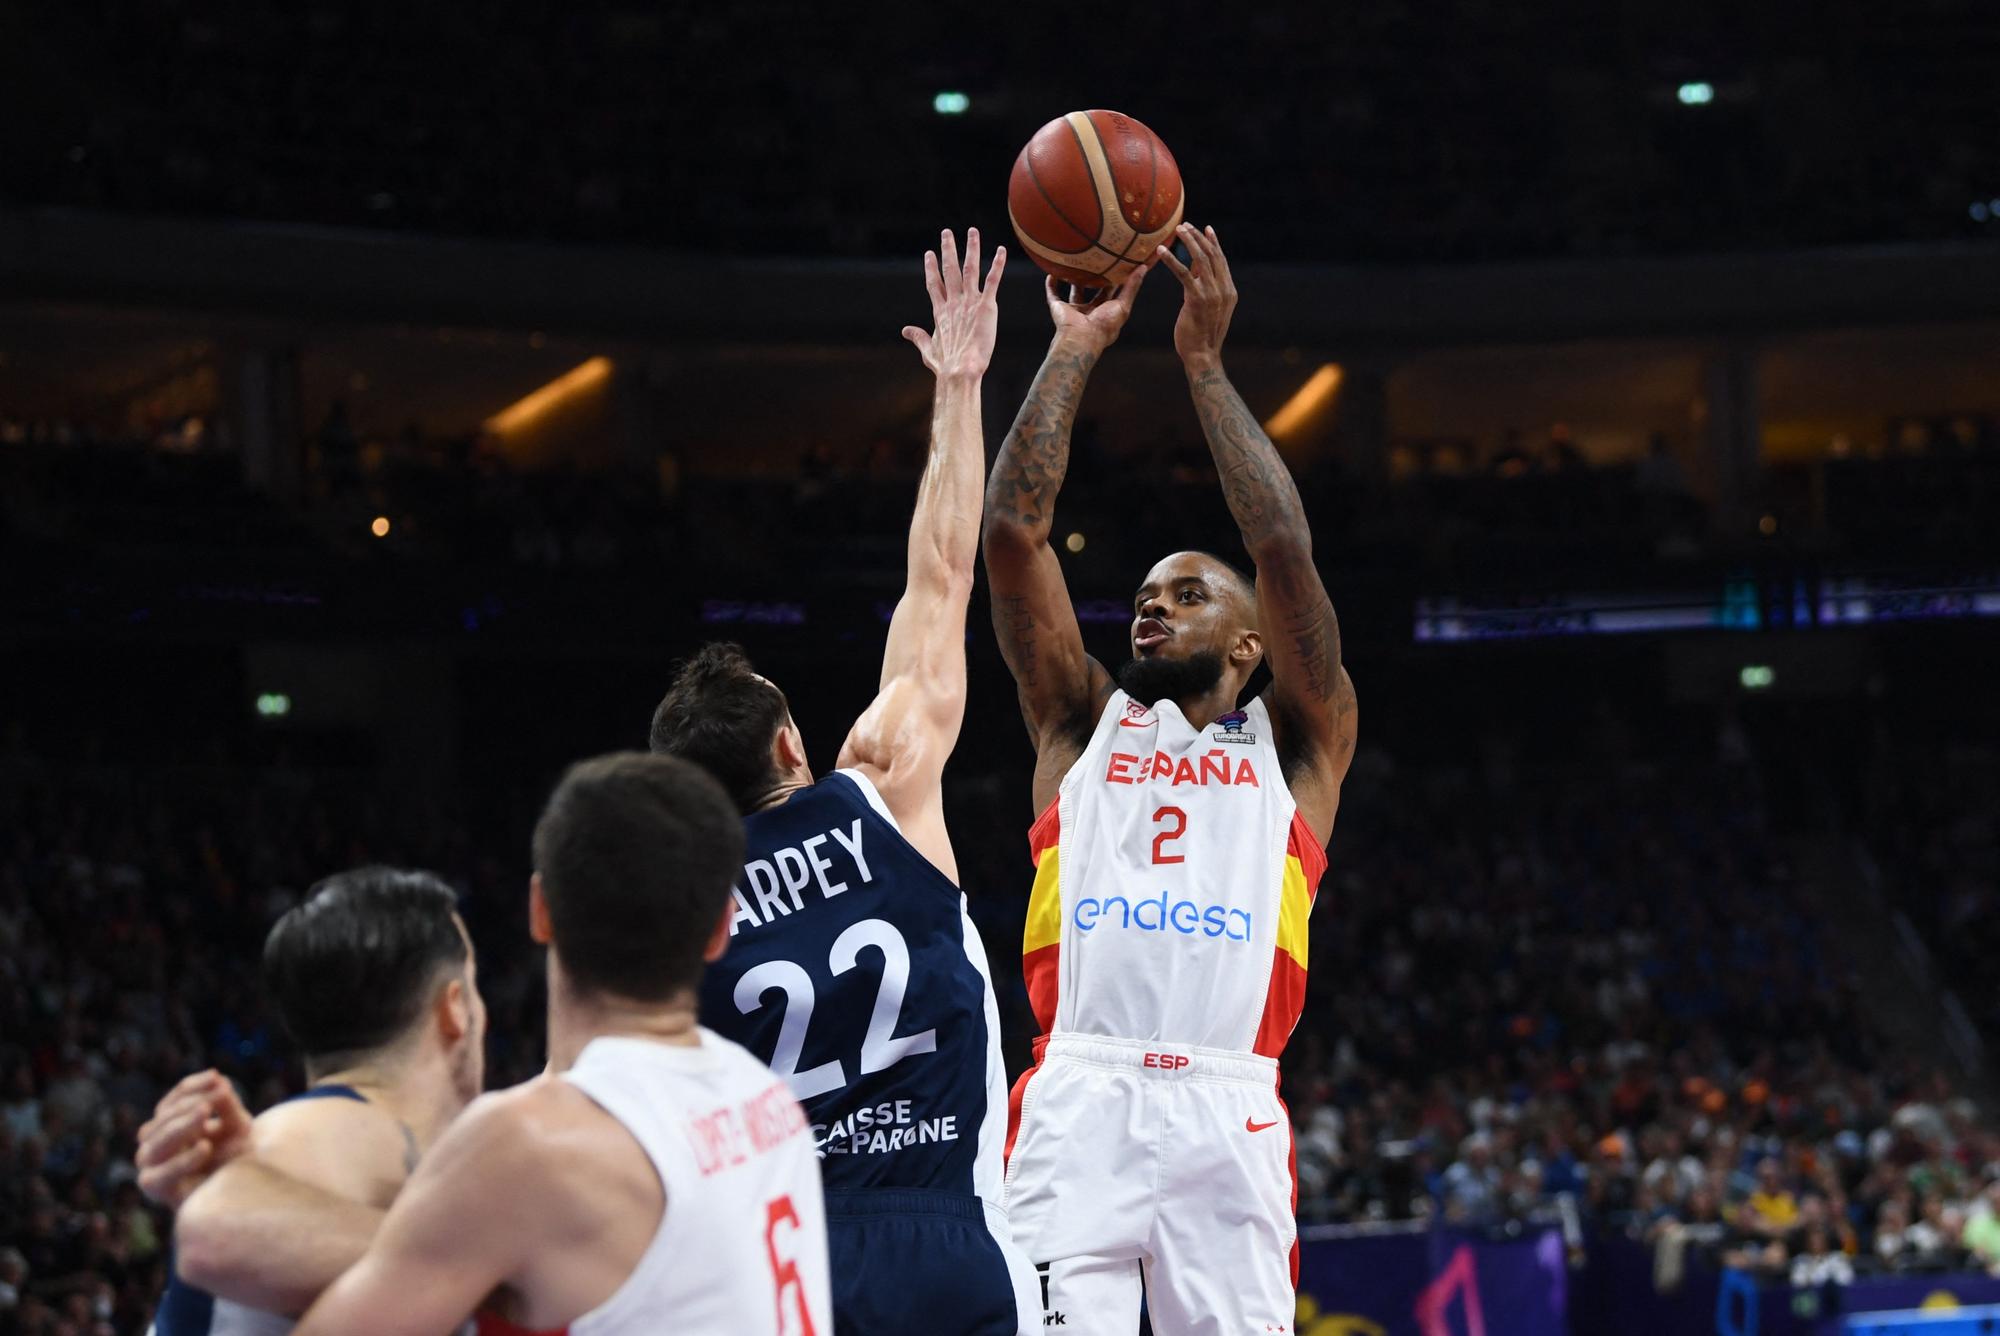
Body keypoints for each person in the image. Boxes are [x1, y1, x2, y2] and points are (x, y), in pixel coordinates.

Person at [649, 227, 1037, 1335]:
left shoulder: (679, 917)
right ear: (786, 747)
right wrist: (959, 383)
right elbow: (941, 569)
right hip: (947, 1229)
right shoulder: (881, 779)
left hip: (789, 1262)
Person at [981, 222, 1359, 1332]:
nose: (1151, 603)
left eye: (1188, 593)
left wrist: (1202, 366)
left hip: (1225, 1102)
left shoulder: (1297, 745)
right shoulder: (1076, 721)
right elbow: (1012, 532)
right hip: (1078, 1094)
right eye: (1144, 593)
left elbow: (1282, 547)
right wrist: (1075, 345)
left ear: (1249, 645)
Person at [279, 754, 827, 1335]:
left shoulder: (527, 1144)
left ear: (540, 912)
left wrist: (216, 1190)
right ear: (721, 928)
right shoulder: (771, 1101)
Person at [145, 866, 488, 1334]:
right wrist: (499, 1274)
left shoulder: (349, 1140)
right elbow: (218, 1237)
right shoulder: (331, 1124)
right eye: (474, 983)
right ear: (455, 1008)